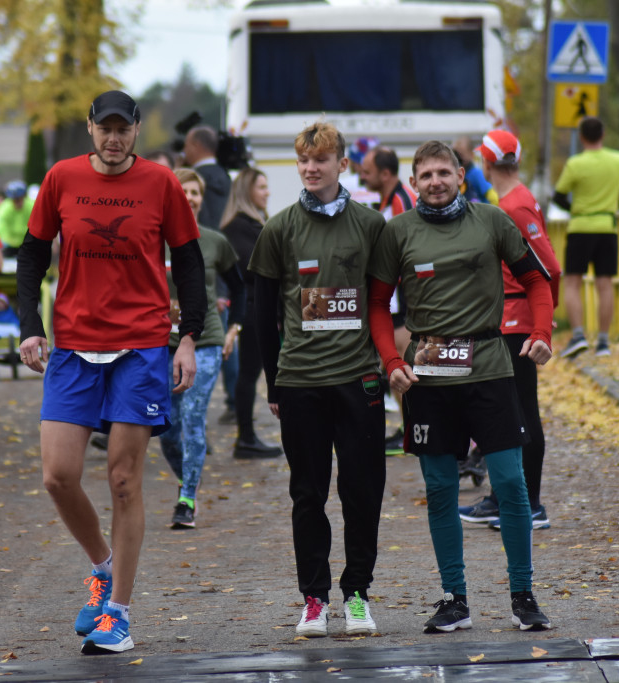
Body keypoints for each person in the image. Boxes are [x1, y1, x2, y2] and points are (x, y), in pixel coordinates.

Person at [16, 90, 206, 654]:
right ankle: (101, 565)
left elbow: (190, 261)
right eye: (106, 128)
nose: (114, 138)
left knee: (124, 482)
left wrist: (187, 336)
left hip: (142, 347)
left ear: (138, 130)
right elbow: (31, 256)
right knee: (58, 474)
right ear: (91, 128)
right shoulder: (61, 179)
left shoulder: (162, 184)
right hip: (73, 347)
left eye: (124, 129)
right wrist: (30, 326)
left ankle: (118, 613)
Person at [366, 140, 555, 633]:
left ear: (461, 174)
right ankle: (454, 598)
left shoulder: (492, 220)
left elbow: (538, 281)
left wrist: (540, 333)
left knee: (511, 483)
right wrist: (391, 361)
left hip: (490, 365)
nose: (434, 182)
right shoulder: (398, 231)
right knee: (441, 487)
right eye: (425, 174)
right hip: (428, 373)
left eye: (443, 172)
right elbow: (378, 304)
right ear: (413, 181)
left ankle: (523, 594)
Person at [249, 121, 386, 638]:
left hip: (358, 380)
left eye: (321, 160)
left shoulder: (371, 226)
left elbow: (383, 300)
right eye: (304, 161)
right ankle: (313, 598)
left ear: (342, 165)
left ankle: (356, 594)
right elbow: (263, 313)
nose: (311, 168)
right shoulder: (278, 228)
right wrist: (273, 383)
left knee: (363, 491)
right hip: (301, 381)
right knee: (308, 493)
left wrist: (391, 361)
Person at [457, 130, 561, 532]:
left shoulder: (515, 206)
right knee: (511, 413)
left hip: (518, 324)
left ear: (485, 163)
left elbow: (548, 267)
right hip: (514, 320)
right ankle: (509, 498)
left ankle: (529, 504)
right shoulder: (516, 198)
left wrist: (541, 322)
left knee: (521, 413)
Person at [160, 168, 245, 528]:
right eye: (183, 190)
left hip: (206, 341)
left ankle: (187, 499)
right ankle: (187, 477)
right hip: (160, 344)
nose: (190, 197)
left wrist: (233, 329)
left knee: (193, 418)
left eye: (195, 192)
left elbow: (239, 287)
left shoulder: (213, 240)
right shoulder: (152, 238)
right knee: (166, 426)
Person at [553, 116, 619, 358]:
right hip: (607, 226)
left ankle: (578, 336)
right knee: (605, 285)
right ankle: (603, 343)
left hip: (580, 227)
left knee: (573, 283)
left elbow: (559, 196)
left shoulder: (575, 163)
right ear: (603, 135)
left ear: (582, 137)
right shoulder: (618, 160)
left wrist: (575, 209)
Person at [220, 167, 283, 459]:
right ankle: (245, 437)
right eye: (261, 187)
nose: (267, 192)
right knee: (249, 373)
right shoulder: (239, 227)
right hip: (253, 309)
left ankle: (247, 436)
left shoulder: (253, 224)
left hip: (258, 307)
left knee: (251, 373)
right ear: (247, 191)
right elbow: (255, 270)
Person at [360, 145, 417, 449]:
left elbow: (407, 248)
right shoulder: (387, 198)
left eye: (366, 171)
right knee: (393, 360)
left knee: (402, 358)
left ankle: (413, 428)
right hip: (394, 295)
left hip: (403, 296)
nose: (361, 175)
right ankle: (408, 427)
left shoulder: (400, 199)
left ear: (385, 174)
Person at [184, 125, 231, 228]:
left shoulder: (192, 179)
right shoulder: (227, 176)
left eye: (186, 146)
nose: (184, 151)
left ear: (195, 146)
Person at [0, 180, 34, 257]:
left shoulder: (31, 207)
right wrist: (7, 240)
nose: (17, 202)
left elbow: (37, 224)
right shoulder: (5, 208)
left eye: (19, 199)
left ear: (24, 197)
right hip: (10, 245)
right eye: (14, 200)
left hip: (28, 244)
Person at [452, 135, 498, 205]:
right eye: (455, 155)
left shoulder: (476, 174)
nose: (458, 159)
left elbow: (494, 198)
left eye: (461, 154)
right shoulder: (456, 176)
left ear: (471, 154)